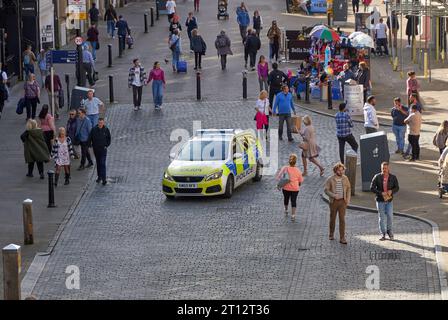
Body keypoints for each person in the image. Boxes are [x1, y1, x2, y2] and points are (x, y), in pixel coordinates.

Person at [370, 162, 399, 241]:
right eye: (383, 168)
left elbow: (397, 187)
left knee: (390, 216)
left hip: (389, 200)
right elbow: (372, 188)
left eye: (386, 168)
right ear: (381, 168)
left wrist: (391, 191)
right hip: (380, 200)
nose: (384, 170)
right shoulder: (377, 177)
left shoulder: (393, 177)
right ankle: (383, 233)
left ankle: (389, 231)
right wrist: (380, 193)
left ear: (388, 168)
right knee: (382, 217)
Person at [324, 162, 351, 244]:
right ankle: (331, 234)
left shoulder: (345, 178)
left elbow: (349, 188)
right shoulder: (330, 179)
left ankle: (342, 238)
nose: (341, 172)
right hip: (333, 202)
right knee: (332, 218)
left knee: (342, 219)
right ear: (335, 170)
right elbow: (326, 190)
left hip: (343, 202)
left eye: (342, 170)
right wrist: (333, 195)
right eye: (339, 171)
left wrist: (348, 199)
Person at [276, 154, 304, 221]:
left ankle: (286, 210)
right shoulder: (298, 170)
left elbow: (278, 177)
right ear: (295, 162)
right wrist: (298, 184)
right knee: (293, 201)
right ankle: (293, 215)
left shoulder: (285, 168)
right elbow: (301, 180)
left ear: (289, 161)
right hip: (295, 189)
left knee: (286, 199)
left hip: (286, 188)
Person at [89, 118, 111, 186]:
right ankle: (99, 176)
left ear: (103, 123)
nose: (100, 124)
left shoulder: (106, 129)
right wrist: (91, 145)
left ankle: (104, 179)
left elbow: (109, 138)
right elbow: (90, 138)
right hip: (96, 149)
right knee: (98, 163)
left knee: (102, 163)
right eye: (99, 123)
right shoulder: (94, 129)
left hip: (103, 149)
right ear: (98, 123)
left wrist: (106, 145)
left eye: (101, 123)